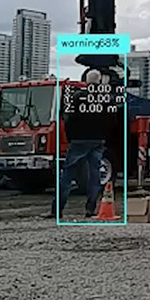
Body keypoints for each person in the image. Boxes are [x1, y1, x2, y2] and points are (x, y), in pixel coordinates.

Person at [47, 69, 113, 219]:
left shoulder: (77, 97)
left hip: (78, 140)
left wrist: (71, 137)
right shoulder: (106, 99)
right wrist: (103, 136)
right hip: (97, 140)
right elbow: (112, 120)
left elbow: (68, 118)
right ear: (99, 81)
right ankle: (91, 209)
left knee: (67, 175)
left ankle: (57, 210)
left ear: (86, 81)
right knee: (94, 175)